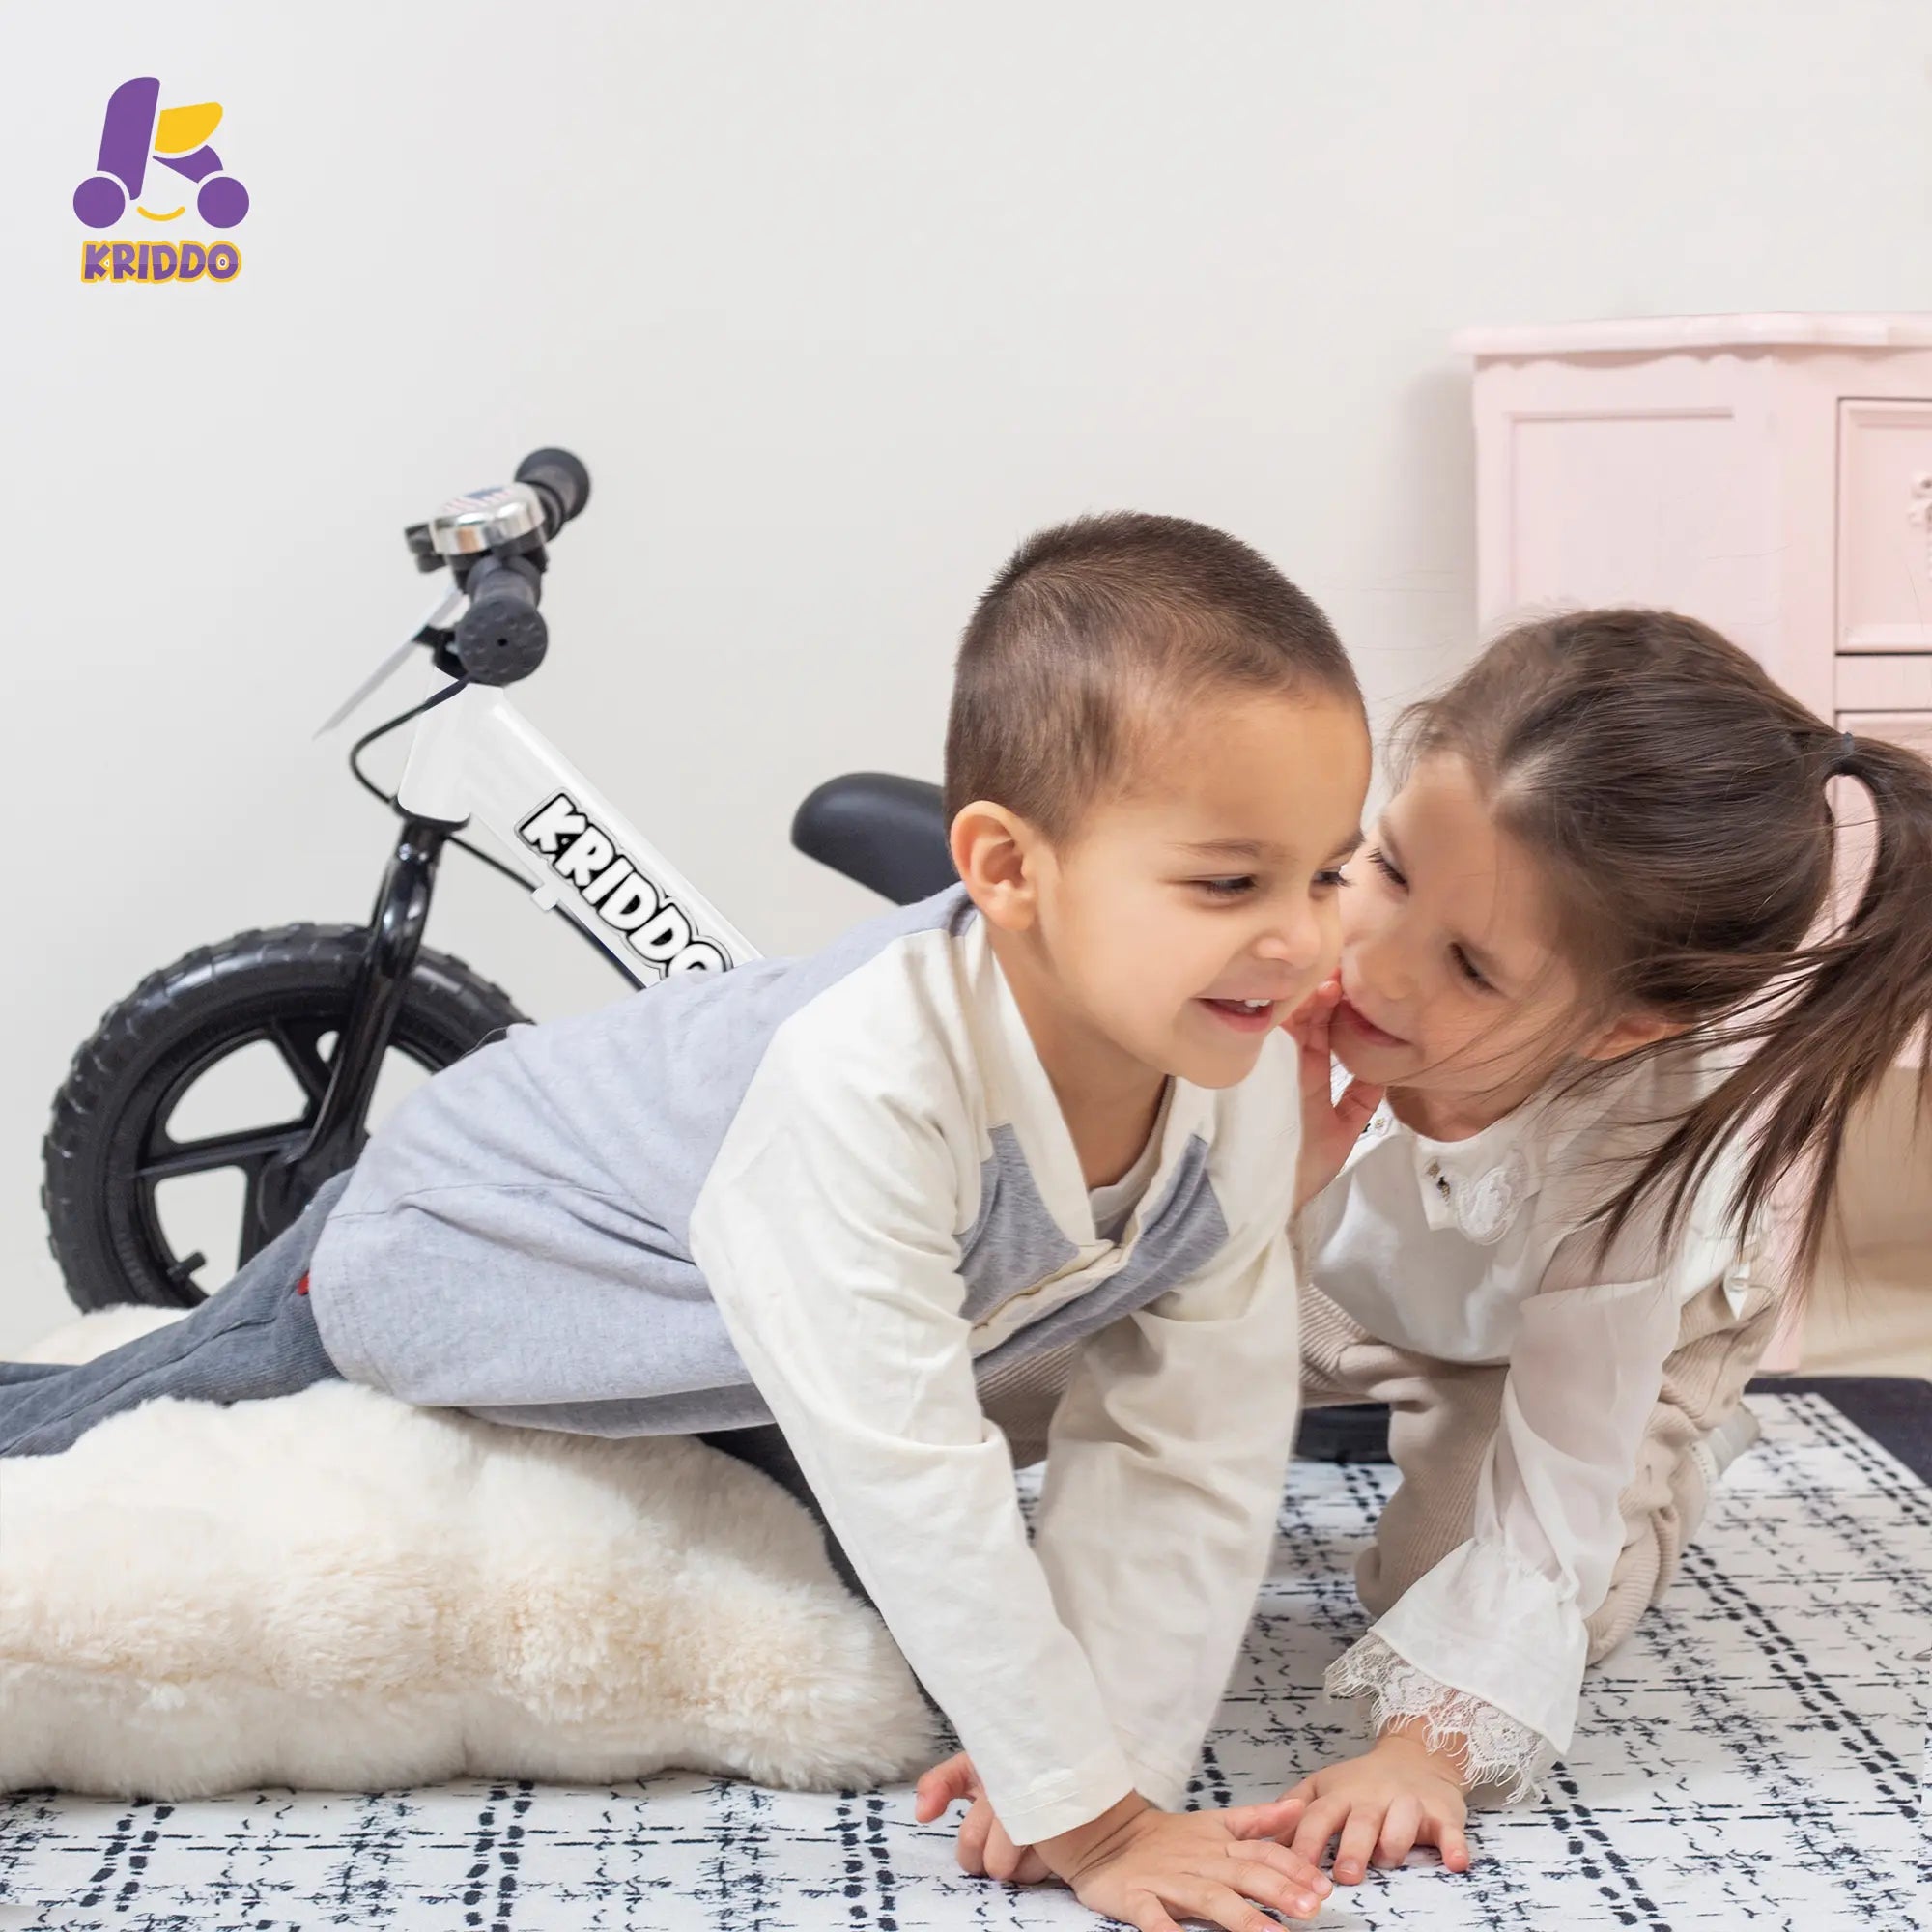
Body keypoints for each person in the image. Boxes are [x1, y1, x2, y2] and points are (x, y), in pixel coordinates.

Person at [3, 513, 1373, 1932]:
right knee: (122, 1410)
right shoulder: (875, 1078)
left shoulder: (1240, 1081)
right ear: (1011, 871)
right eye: (1230, 882)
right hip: (477, 1224)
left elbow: (1189, 1438)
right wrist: (1089, 1819)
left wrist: (1109, 1767)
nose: (1302, 941)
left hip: (688, 1291)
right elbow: (909, 1464)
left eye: (1329, 872)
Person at [1268, 606, 1932, 1888]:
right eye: (1389, 866)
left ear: (1622, 1028)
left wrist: (1426, 1748)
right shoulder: (1296, 924)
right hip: (1335, 1273)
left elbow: (1556, 1476)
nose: (1378, 965)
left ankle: (1677, 1453)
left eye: (1469, 966)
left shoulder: (1638, 1138)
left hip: (1569, 1348)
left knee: (1441, 1592)